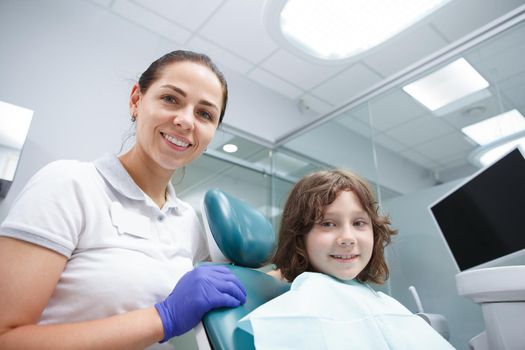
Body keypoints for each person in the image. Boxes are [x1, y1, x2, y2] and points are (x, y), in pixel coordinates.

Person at [0, 50, 246, 349]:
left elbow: (234, 285)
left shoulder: (188, 222)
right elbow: (6, 337)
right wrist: (163, 318)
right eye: (171, 99)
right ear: (136, 100)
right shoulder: (69, 184)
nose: (185, 121)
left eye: (204, 114)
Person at [239, 169, 455, 349]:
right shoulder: (298, 296)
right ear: (299, 234)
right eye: (327, 224)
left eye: (359, 223)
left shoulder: (374, 298)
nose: (347, 238)